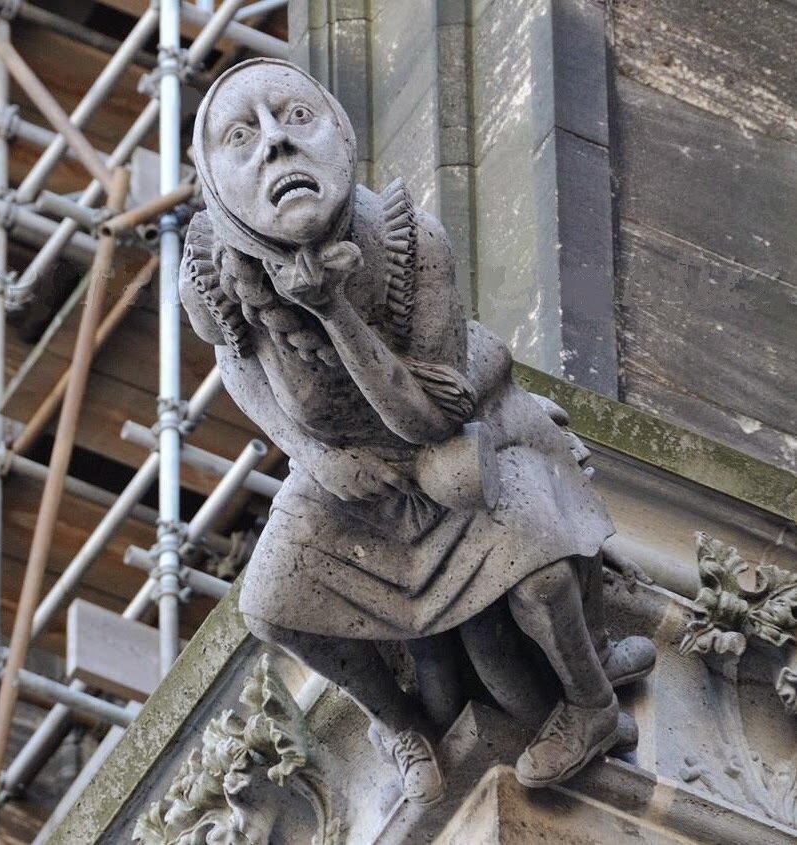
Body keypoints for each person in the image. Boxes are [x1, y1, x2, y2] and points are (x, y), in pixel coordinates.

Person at [180, 58, 655, 804]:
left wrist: (334, 311)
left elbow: (432, 417)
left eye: (296, 117)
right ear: (214, 179)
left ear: (340, 134)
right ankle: (400, 724)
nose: (275, 143)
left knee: (538, 575)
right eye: (241, 136)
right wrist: (312, 455)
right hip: (353, 474)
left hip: (455, 440)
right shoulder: (216, 273)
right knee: (268, 603)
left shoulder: (410, 245)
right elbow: (237, 364)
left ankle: (590, 703)